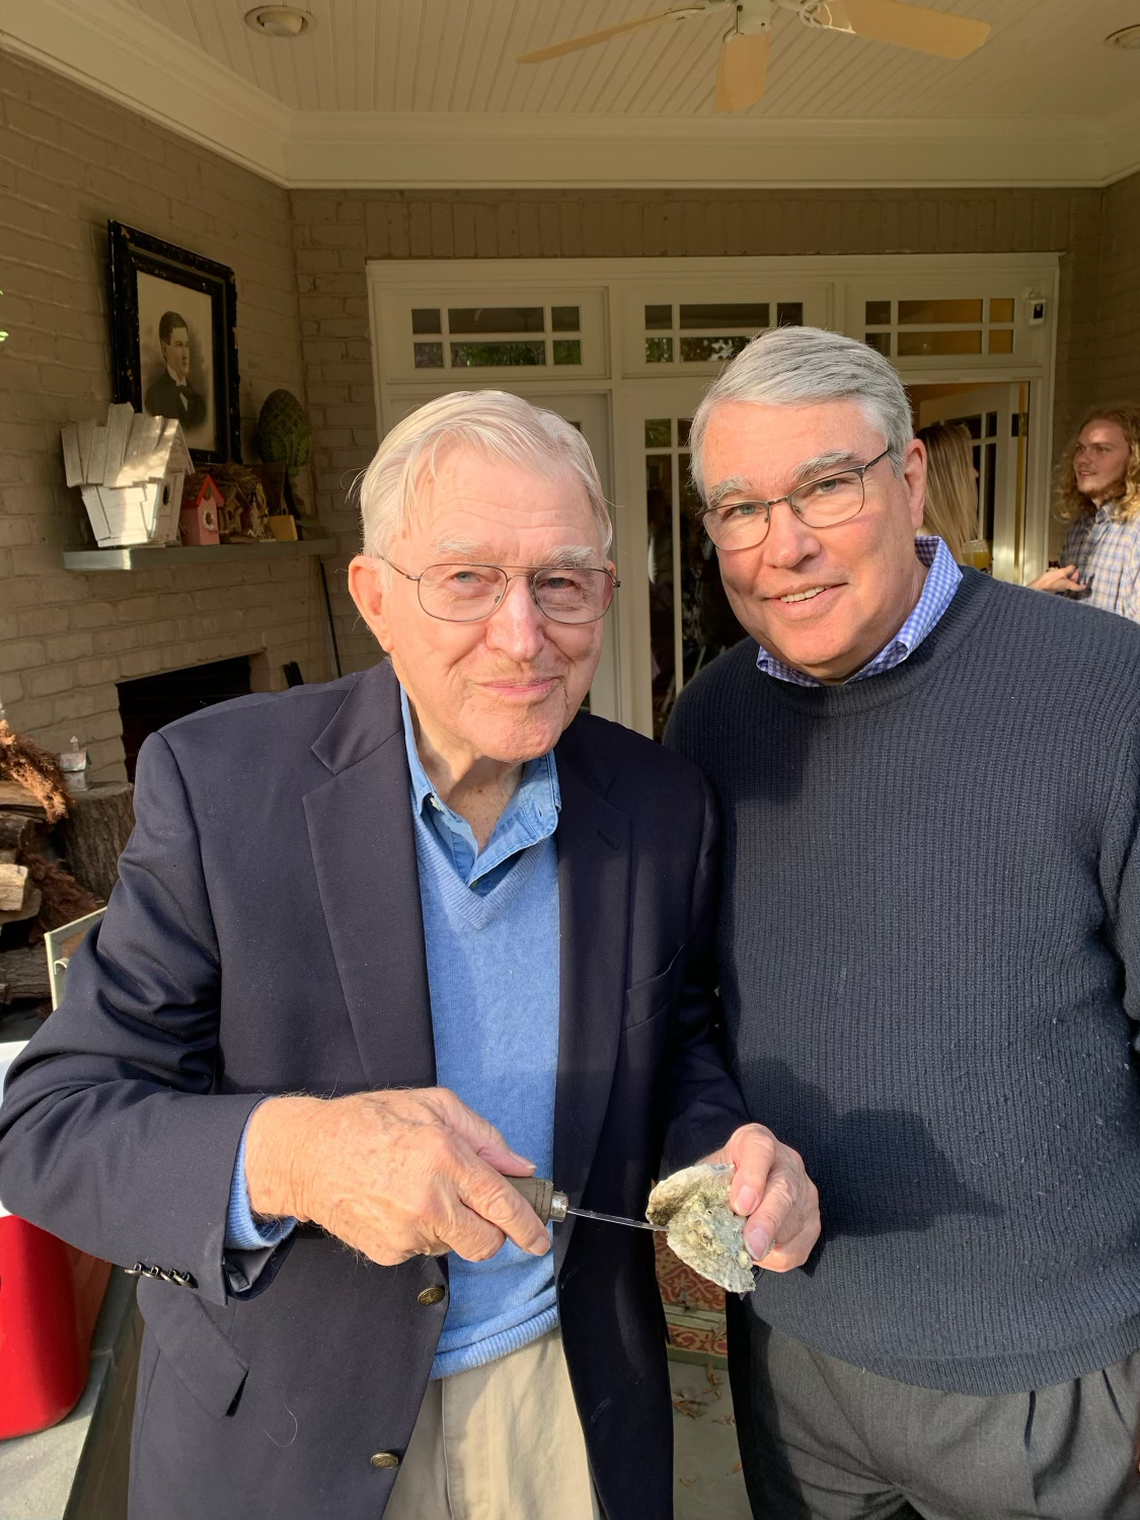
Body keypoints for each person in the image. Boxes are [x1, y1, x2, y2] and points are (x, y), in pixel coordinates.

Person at [0, 391, 819, 1520]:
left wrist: (728, 1147)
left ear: (607, 597)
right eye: (469, 578)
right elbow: (50, 1121)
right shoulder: (222, 782)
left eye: (561, 582)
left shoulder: (661, 802)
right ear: (376, 598)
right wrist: (293, 1154)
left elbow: (674, 1043)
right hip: (287, 1427)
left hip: (566, 1409)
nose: (523, 634)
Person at [666, 327, 1140, 1520]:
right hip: (796, 1361)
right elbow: (688, 1010)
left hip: (1057, 1376)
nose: (785, 544)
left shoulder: (1103, 689)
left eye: (826, 483)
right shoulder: (708, 725)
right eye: (739, 507)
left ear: (911, 476)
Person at [1029, 405, 1140, 619]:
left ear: (1133, 459)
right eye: (1081, 448)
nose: (1082, 459)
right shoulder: (1081, 528)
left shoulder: (1136, 529)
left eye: (1101, 449)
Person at [914, 420, 980, 565]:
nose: (975, 473)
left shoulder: (937, 540)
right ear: (948, 477)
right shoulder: (927, 548)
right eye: (967, 465)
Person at [143, 309, 206, 429]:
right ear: (165, 349)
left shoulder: (199, 402)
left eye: (186, 345)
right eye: (178, 345)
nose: (185, 355)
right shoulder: (154, 397)